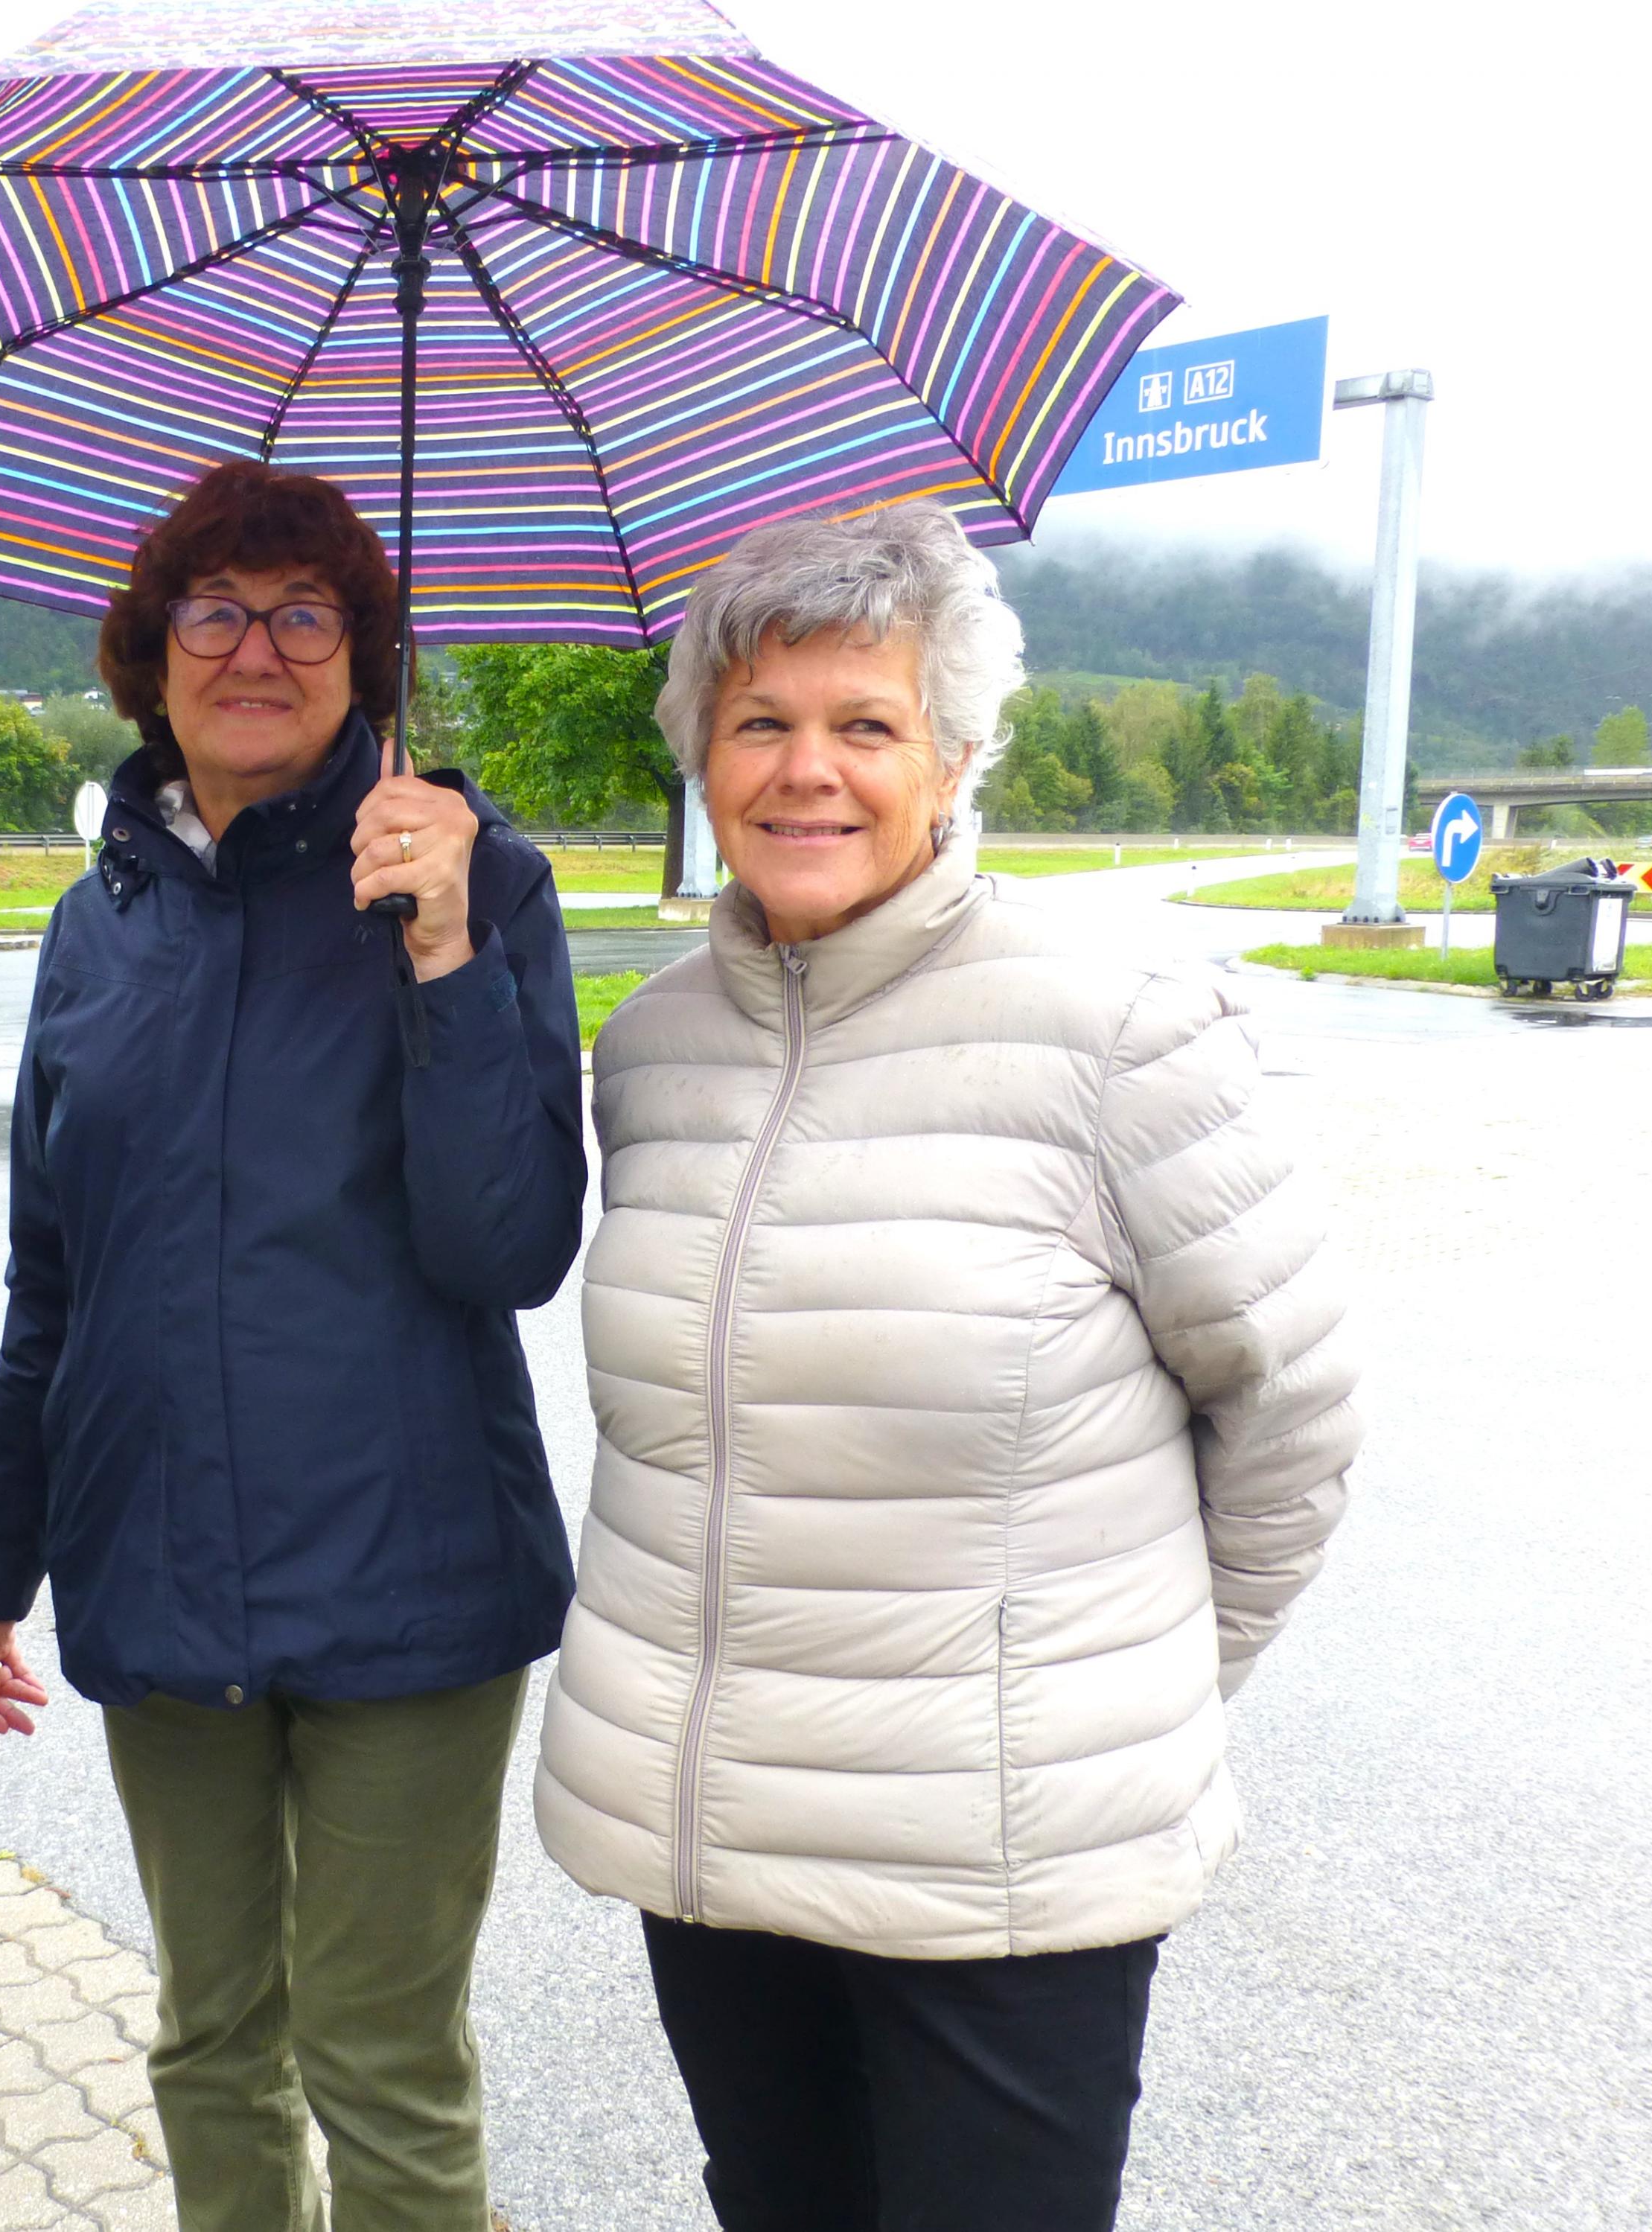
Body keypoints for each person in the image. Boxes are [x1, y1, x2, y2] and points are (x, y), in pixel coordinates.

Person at [535, 503, 1361, 2232]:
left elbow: (1286, 1414)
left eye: (866, 721)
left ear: (957, 753)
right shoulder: (654, 1047)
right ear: (700, 756)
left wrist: (1110, 1692)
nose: (804, 769)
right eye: (758, 722)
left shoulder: (1122, 1027)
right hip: (718, 1847)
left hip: (1002, 1866)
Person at [0, 458, 587, 2232]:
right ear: (147, 653)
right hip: (159, 1567)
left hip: (409, 1580)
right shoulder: (96, 923)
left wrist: (444, 949)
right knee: (209, 2038)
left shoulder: (481, 883)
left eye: (304, 613)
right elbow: (50, 1280)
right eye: (213, 610)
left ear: (364, 658)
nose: (255, 648)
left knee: (379, 2057)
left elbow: (508, 1246)